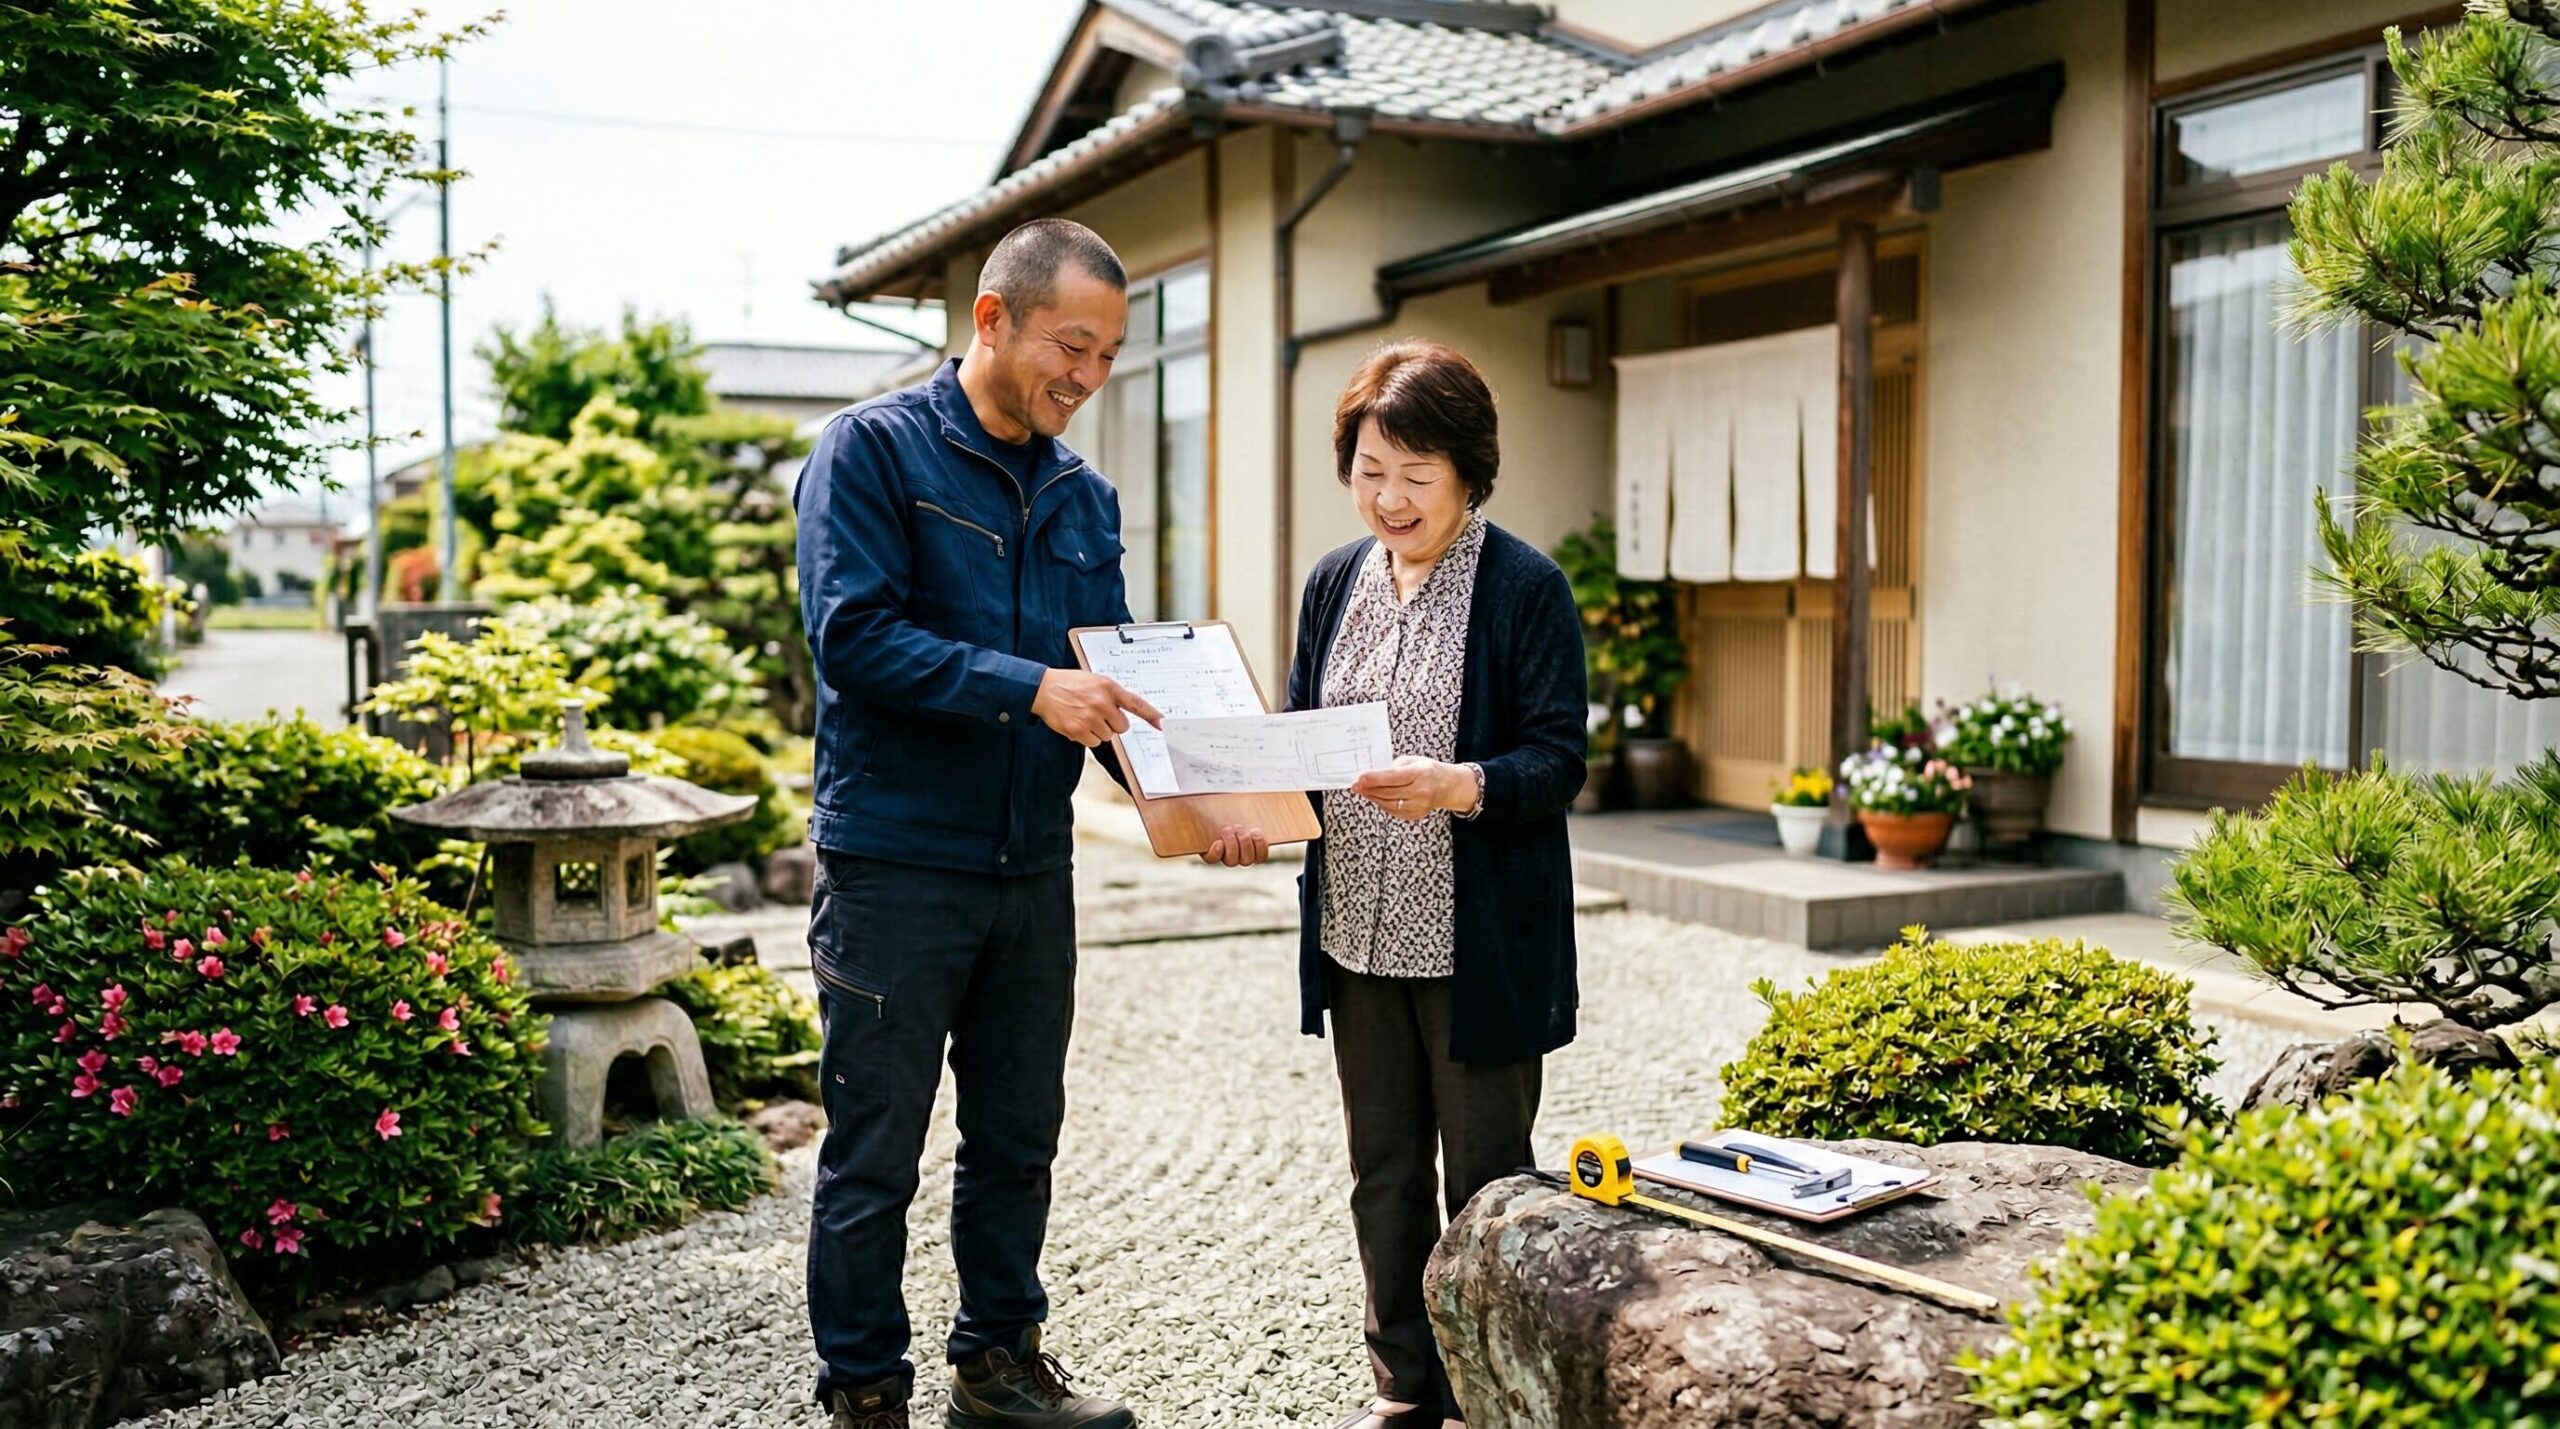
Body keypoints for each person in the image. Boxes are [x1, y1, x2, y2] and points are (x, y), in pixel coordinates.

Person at [793, 218, 1161, 1429]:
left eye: (1107, 355)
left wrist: (1196, 799)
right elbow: (853, 638)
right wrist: (1024, 686)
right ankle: (862, 1391)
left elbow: (1104, 675)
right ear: (992, 320)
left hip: (1029, 866)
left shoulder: (1083, 494)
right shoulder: (871, 453)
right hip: (896, 861)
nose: (1088, 376)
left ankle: (998, 1365)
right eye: (1073, 344)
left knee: (1017, 1138)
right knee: (873, 1153)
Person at [1208, 339, 1586, 1429]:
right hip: (1355, 930)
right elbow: (1302, 758)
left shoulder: (1524, 587)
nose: (1390, 496)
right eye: (1371, 469)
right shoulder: (1334, 584)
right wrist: (1251, 822)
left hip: (1476, 944)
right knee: (1381, 1170)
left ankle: (1484, 1391)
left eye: (1415, 473)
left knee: (1485, 1182)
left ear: (1469, 471)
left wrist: (1462, 783)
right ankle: (1403, 1388)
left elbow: (1558, 758)